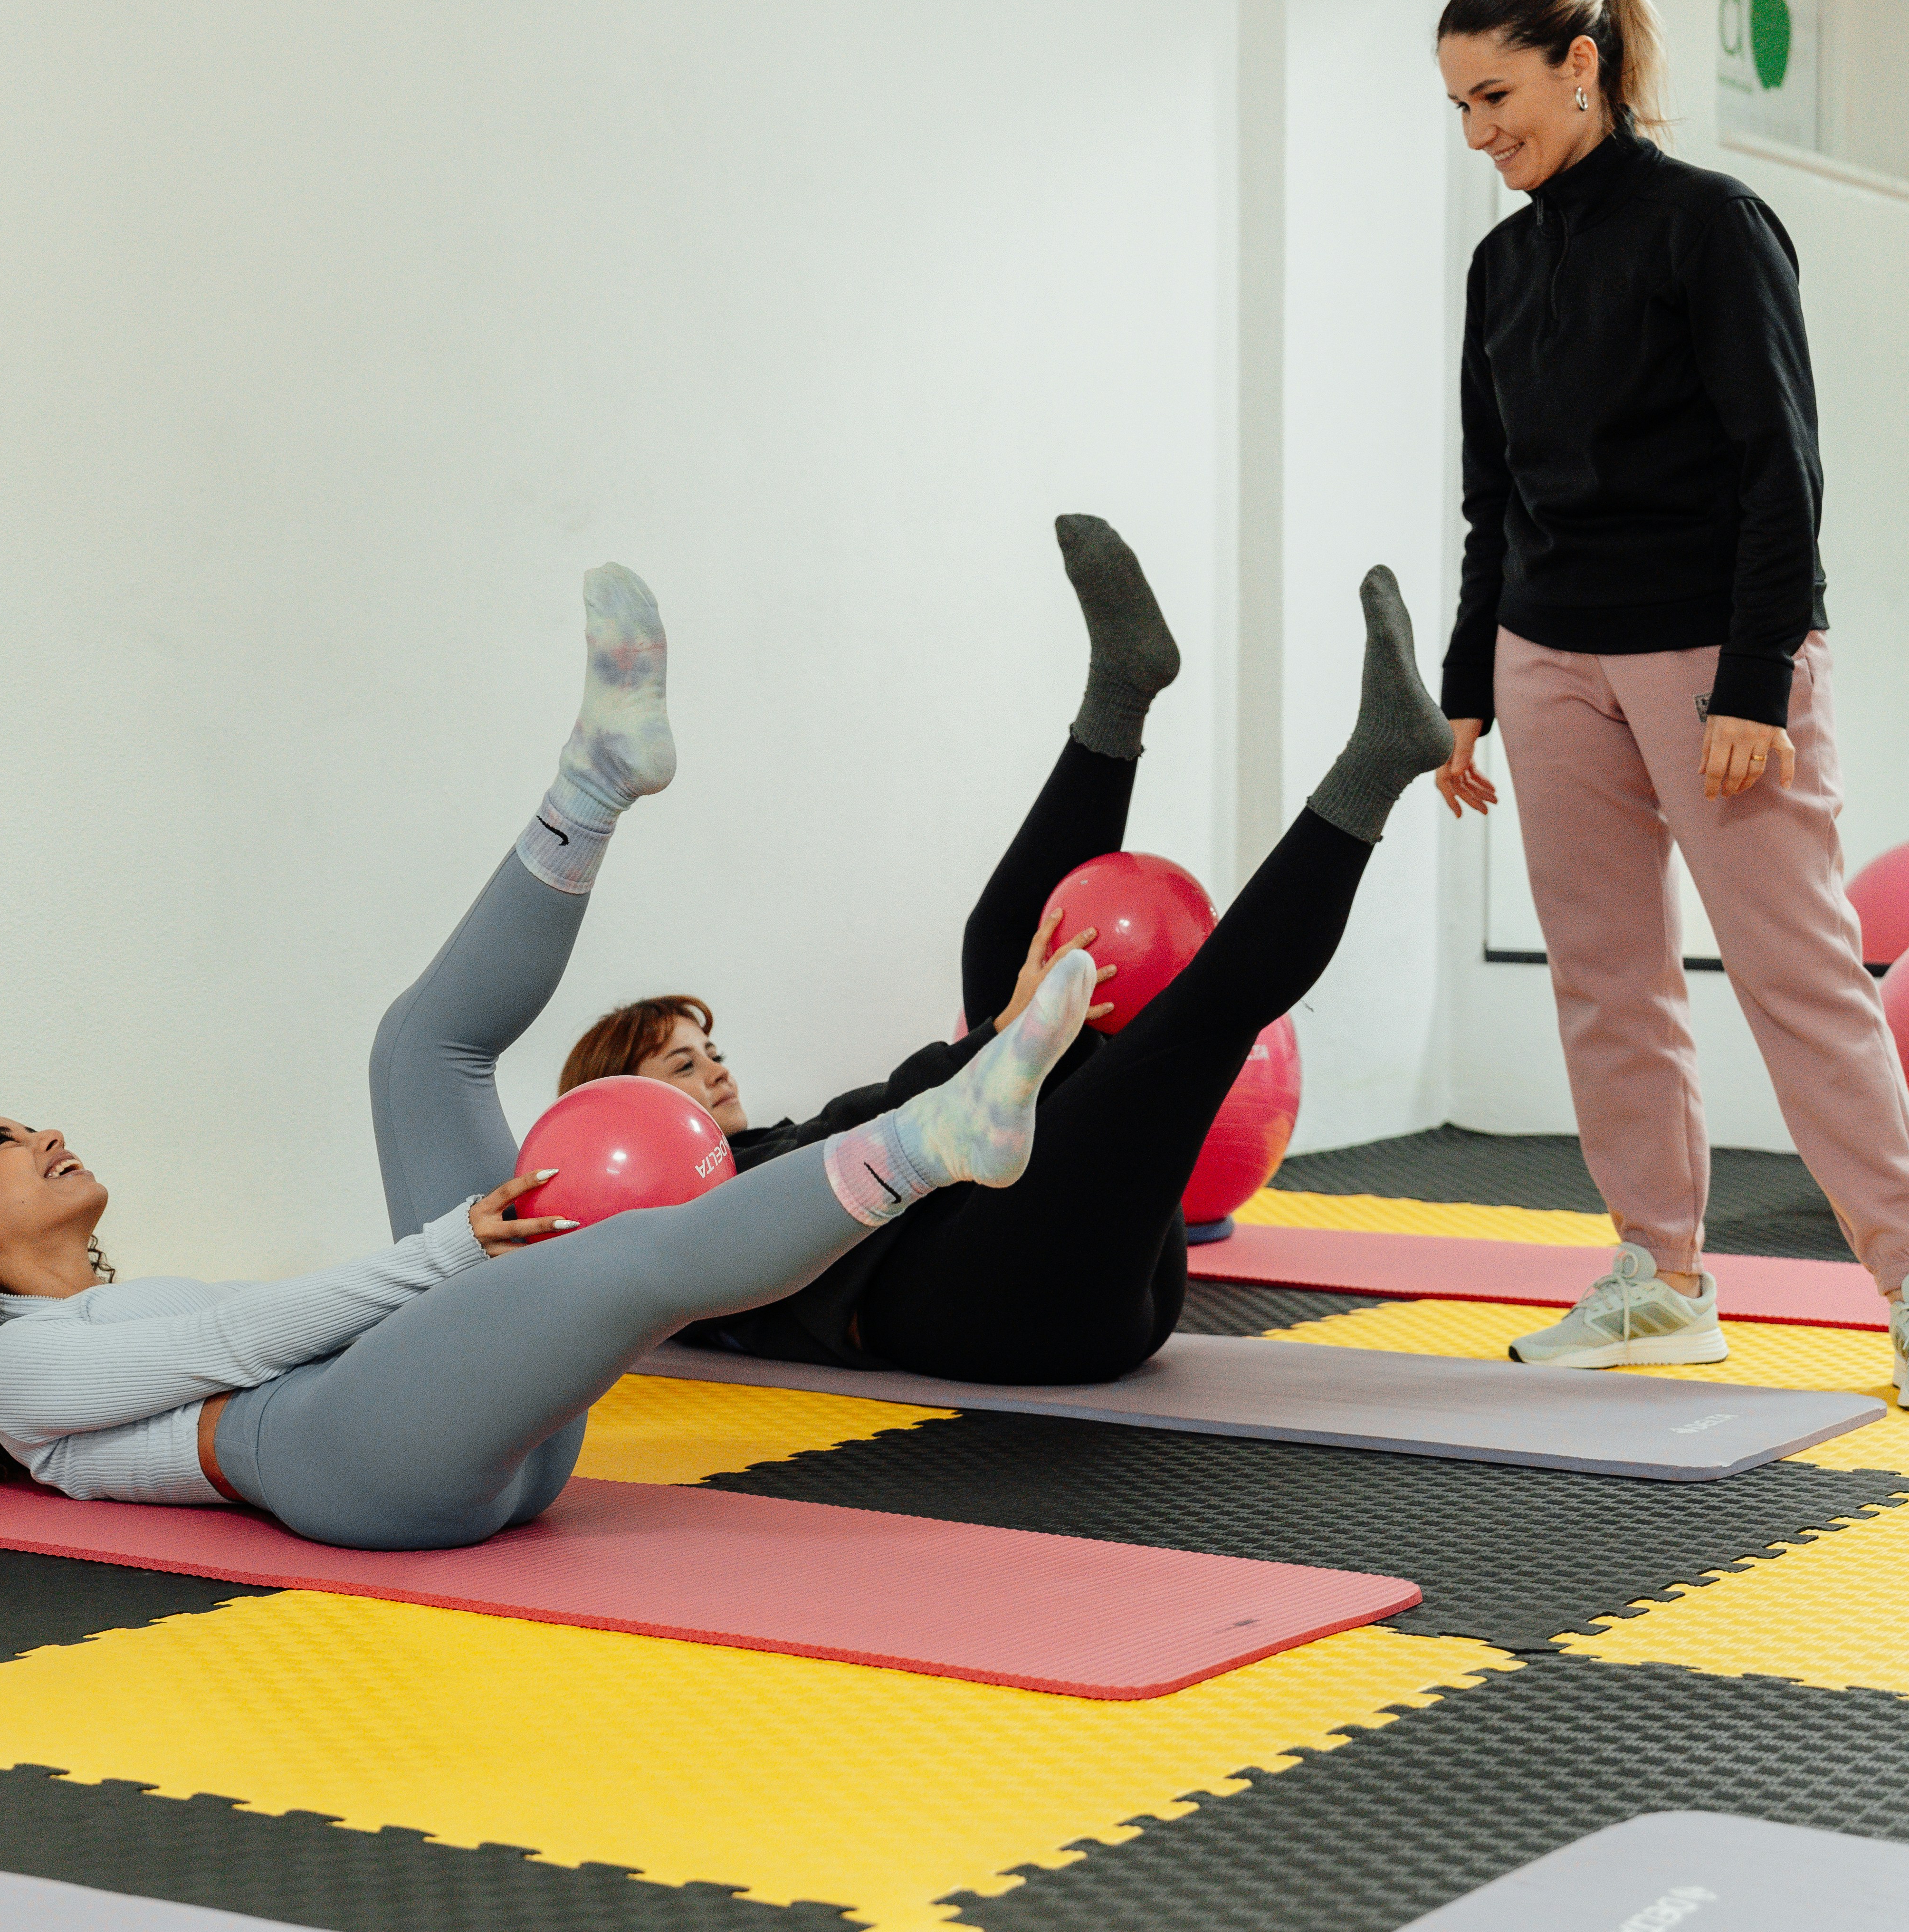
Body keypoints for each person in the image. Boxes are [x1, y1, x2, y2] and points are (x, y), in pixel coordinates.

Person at [0, 567, 1096, 1549]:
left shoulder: (89, 1319)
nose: (39, 1134)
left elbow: (258, 1329)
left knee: (417, 1051)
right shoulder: (3, 1369)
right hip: (361, 1467)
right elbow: (242, 1337)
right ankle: (936, 1139)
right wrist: (449, 1253)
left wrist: (446, 1269)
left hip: (440, 1419)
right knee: (613, 1251)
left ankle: (593, 781)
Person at [1427, 0, 1909, 1416]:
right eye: (1455, 105)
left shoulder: (1707, 225)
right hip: (1548, 656)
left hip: (1708, 659)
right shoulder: (1500, 266)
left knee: (1794, 974)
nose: (1476, 131)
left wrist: (1755, 681)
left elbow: (1777, 467)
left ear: (1579, 63)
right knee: (1603, 982)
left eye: (1493, 94)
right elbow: (1491, 496)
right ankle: (1658, 1280)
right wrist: (1465, 685)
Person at [530, 516, 1455, 1387]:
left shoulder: (754, 1147)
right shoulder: (665, 1233)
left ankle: (1121, 687)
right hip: (1004, 1314)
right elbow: (852, 1147)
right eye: (682, 1064)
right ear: (624, 1115)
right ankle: (1376, 764)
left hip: (1056, 1255)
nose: (716, 1070)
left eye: (711, 1050)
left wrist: (1002, 1036)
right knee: (1192, 1025)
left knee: (1000, 943)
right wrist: (994, 1040)